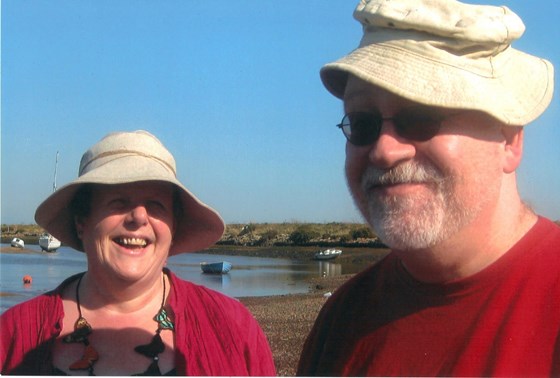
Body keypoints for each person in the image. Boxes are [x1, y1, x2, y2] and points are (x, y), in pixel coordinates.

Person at [297, 0, 559, 376]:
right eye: (362, 121)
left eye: (420, 116)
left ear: (508, 140)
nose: (385, 150)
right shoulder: (342, 318)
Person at [1, 130, 276, 376]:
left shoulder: (233, 328)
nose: (139, 217)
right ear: (81, 222)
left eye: (156, 205)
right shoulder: (13, 334)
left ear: (173, 228)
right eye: (118, 201)